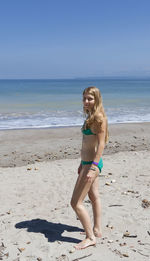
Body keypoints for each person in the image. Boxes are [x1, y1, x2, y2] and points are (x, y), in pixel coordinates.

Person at [71, 86, 109, 250]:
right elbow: (87, 144)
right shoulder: (90, 117)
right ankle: (97, 229)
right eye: (84, 98)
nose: (86, 101)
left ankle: (90, 237)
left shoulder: (98, 118)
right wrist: (82, 163)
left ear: (97, 99)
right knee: (94, 197)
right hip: (87, 163)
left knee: (76, 203)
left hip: (92, 164)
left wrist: (93, 167)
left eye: (90, 98)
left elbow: (101, 144)